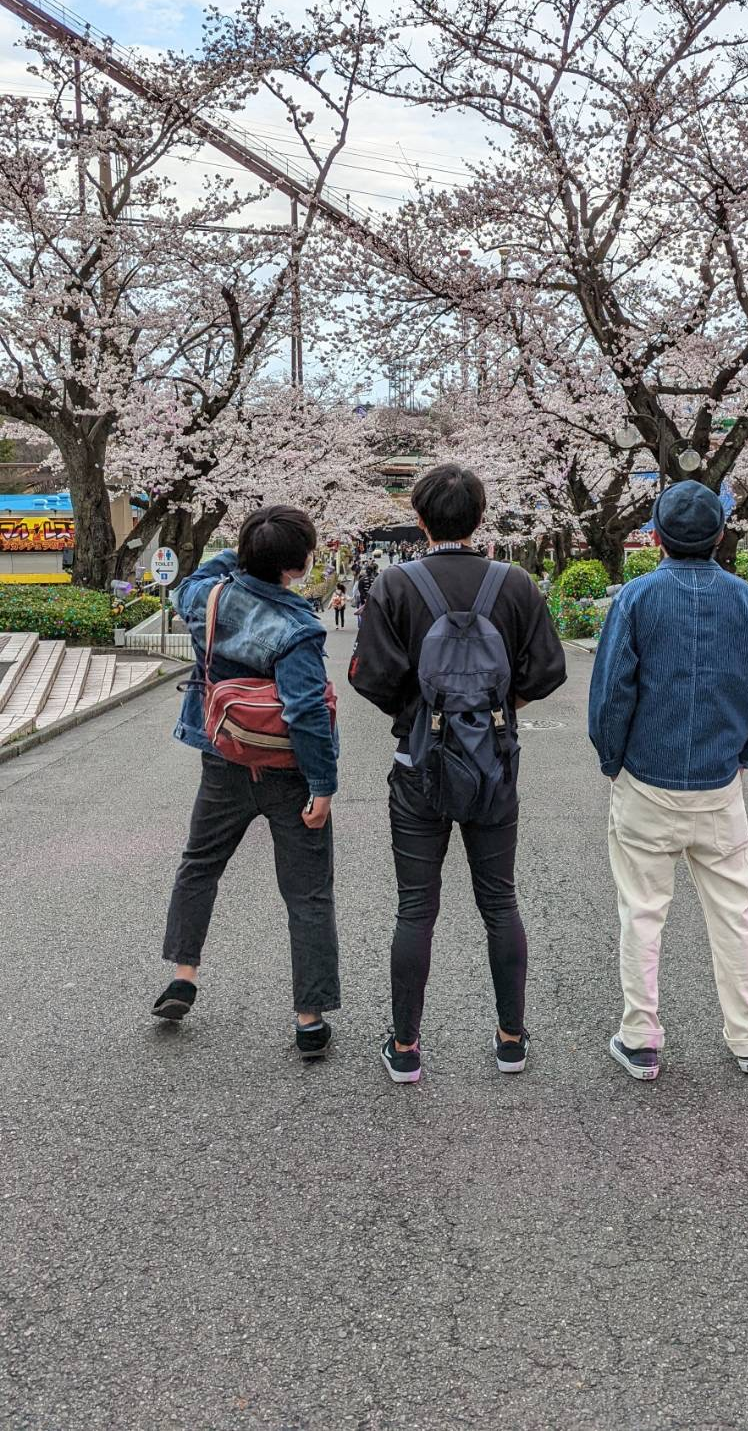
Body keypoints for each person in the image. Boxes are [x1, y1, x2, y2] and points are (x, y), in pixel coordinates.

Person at [349, 463, 567, 1085]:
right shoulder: (515, 584)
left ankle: (407, 1047)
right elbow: (547, 670)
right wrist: (497, 711)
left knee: (415, 907)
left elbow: (369, 676)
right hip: (494, 762)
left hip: (418, 764)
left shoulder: (395, 584)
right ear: (480, 517)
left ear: (418, 520)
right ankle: (510, 1040)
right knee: (499, 900)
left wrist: (419, 713)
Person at [588, 481, 748, 1083]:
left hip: (647, 778)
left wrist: (612, 760)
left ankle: (641, 1037)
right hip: (720, 783)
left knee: (643, 911)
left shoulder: (637, 599)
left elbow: (612, 693)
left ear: (657, 535)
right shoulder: (746, 600)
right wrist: (744, 752)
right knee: (734, 910)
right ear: (721, 534)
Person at [152, 506, 341, 1061]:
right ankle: (309, 1018)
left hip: (223, 758)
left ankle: (184, 974)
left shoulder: (205, 600)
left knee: (199, 866)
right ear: (300, 565)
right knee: (307, 892)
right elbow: (306, 712)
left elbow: (199, 576)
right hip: (288, 774)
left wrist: (247, 547)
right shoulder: (299, 628)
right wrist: (323, 784)